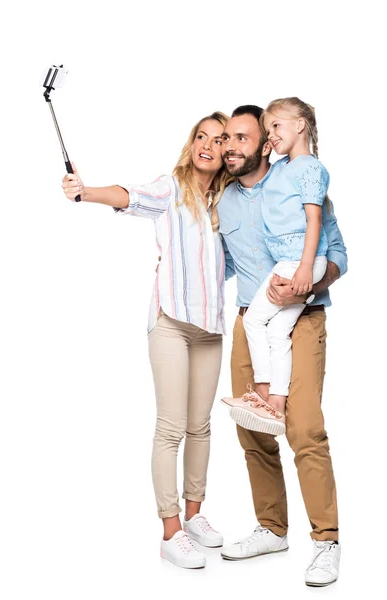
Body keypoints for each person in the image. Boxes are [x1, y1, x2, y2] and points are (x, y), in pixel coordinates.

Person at [61, 112, 233, 569]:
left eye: (218, 141)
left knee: (201, 426)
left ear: (225, 153)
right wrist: (86, 191)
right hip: (171, 321)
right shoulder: (171, 187)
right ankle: (171, 530)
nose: (207, 146)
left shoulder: (227, 201)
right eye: (201, 136)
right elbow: (129, 195)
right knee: (171, 427)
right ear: (191, 143)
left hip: (210, 327)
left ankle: (196, 515)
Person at [215, 105, 346, 587]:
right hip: (251, 319)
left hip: (303, 318)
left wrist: (306, 286)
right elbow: (223, 266)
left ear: (266, 144)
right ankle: (271, 528)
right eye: (227, 138)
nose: (232, 146)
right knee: (251, 430)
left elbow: (338, 256)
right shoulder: (223, 201)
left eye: (243, 137)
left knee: (305, 429)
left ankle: (326, 541)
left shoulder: (295, 183)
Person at [222, 98, 331, 437]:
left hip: (300, 270)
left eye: (275, 127)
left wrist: (305, 273)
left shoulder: (305, 170)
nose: (271, 135)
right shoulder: (233, 195)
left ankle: (264, 395)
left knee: (258, 321)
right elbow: (225, 263)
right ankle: (276, 405)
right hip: (288, 269)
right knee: (273, 331)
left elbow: (320, 228)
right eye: (227, 138)